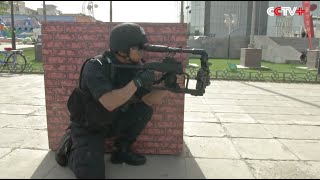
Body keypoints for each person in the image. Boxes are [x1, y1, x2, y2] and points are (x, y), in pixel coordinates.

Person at [55, 22, 169, 179]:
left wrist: (170, 85)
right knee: (92, 175)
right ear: (123, 49)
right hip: (89, 126)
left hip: (112, 120)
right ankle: (70, 147)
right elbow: (109, 102)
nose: (143, 52)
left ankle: (121, 150)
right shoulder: (95, 66)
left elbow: (150, 100)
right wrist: (137, 82)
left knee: (144, 109)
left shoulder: (136, 66)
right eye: (139, 48)